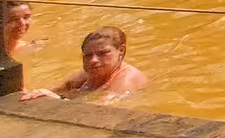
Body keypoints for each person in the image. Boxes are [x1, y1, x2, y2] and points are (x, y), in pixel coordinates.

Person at [21, 27, 149, 101]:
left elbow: (99, 110)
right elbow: (57, 89)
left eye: (102, 53)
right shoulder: (91, 74)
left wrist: (56, 100)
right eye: (88, 56)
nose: (93, 60)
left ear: (121, 51)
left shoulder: (127, 79)